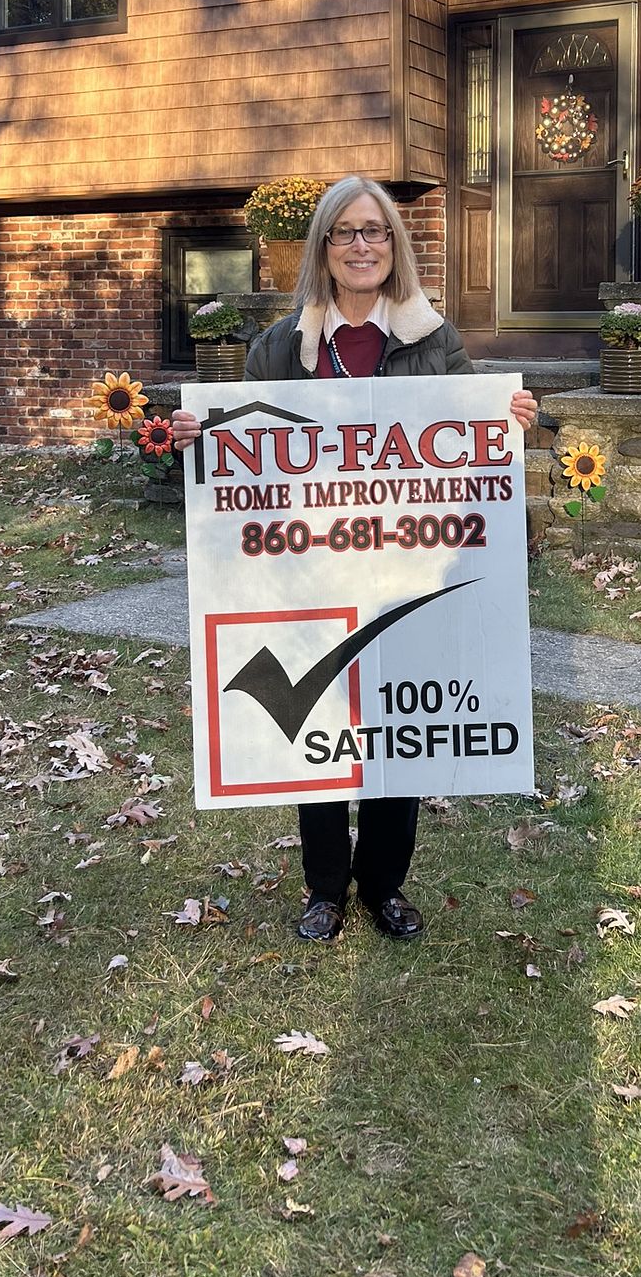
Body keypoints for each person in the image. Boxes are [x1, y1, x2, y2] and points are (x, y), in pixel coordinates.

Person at [172, 175, 538, 945]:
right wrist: (199, 438)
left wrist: (508, 417)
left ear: (393, 246)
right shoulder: (279, 346)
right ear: (323, 247)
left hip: (407, 566)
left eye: (374, 231)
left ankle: (383, 886)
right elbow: (245, 447)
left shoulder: (434, 341)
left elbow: (470, 436)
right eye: (345, 232)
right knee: (317, 722)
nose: (361, 245)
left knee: (399, 725)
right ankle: (324, 889)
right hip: (309, 565)